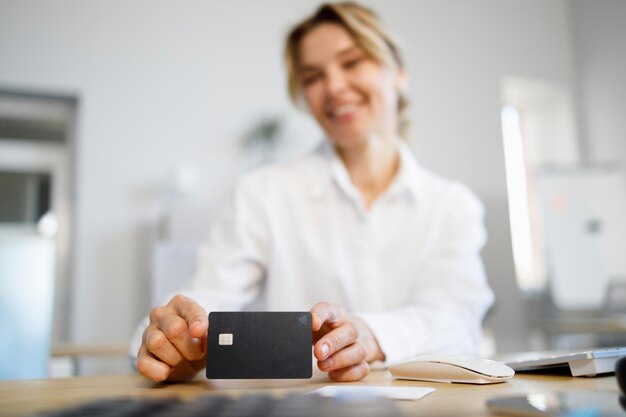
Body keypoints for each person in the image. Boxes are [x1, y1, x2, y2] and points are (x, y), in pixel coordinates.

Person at [131, 1, 494, 383]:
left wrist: (369, 335)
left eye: (352, 62)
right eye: (313, 76)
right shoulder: (263, 194)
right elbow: (209, 297)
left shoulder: (452, 206)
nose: (334, 87)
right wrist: (176, 340)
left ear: (399, 73)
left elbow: (456, 318)